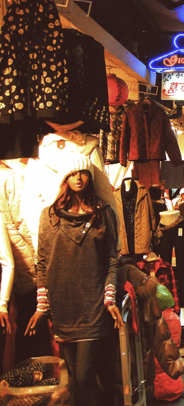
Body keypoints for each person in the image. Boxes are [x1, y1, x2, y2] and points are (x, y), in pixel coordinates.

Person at [26, 154, 122, 406]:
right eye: (72, 174)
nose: (78, 178)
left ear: (90, 176)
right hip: (63, 309)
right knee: (75, 381)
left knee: (84, 376)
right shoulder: (49, 216)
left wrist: (109, 298)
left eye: (83, 173)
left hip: (93, 307)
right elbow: (42, 262)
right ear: (65, 178)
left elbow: (112, 260)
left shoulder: (103, 213)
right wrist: (42, 307)